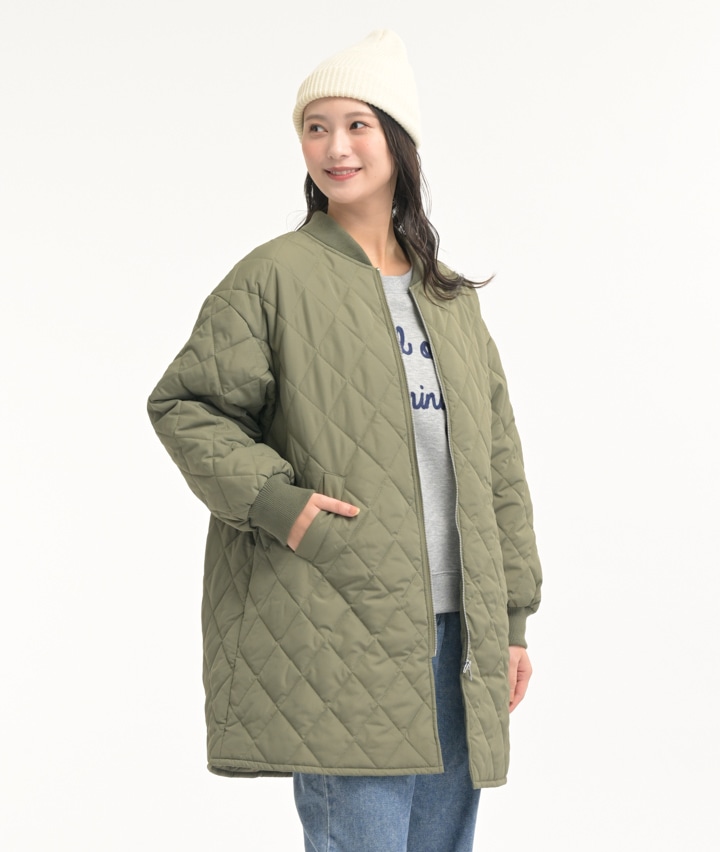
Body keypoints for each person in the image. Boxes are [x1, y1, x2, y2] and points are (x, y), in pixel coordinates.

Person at [148, 29, 542, 852]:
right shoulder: (275, 276)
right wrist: (280, 505)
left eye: (357, 124)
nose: (336, 148)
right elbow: (186, 404)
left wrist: (511, 621)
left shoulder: (449, 300)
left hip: (459, 636)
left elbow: (499, 469)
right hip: (340, 620)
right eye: (316, 127)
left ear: (397, 140)